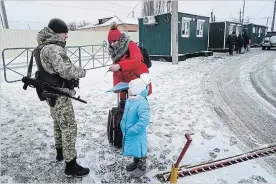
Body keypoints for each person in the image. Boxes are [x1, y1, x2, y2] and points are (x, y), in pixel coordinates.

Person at [35, 18, 89, 177]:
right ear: (58, 33)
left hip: (49, 94)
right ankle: (71, 165)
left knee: (58, 124)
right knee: (69, 127)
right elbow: (67, 71)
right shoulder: (53, 48)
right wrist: (82, 72)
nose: (66, 36)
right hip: (59, 94)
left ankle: (60, 152)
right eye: (65, 33)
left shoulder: (41, 47)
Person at [107, 22, 152, 109]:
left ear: (120, 39)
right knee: (125, 109)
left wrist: (120, 65)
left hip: (137, 80)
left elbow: (136, 61)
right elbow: (116, 72)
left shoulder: (130, 45)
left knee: (138, 106)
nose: (112, 44)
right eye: (110, 42)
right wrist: (116, 86)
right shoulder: (115, 52)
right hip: (125, 83)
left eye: (114, 41)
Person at [120, 73, 151, 175]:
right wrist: (122, 123)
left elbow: (144, 121)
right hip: (130, 130)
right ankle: (135, 162)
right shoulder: (130, 100)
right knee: (135, 148)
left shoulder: (142, 103)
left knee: (140, 149)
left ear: (136, 91)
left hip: (136, 132)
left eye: (129, 88)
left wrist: (133, 130)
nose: (127, 90)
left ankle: (141, 166)